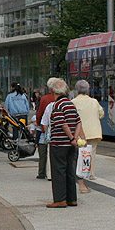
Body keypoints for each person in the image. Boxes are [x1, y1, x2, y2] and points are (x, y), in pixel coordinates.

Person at [47, 78, 82, 208]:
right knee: (70, 171)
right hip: (71, 145)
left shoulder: (58, 105)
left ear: (52, 91)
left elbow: (62, 123)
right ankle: (72, 199)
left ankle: (60, 200)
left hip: (59, 144)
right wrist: (75, 138)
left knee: (58, 171)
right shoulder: (70, 104)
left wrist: (70, 137)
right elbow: (79, 121)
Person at [72, 79, 105, 190]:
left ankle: (80, 172)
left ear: (77, 90)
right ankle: (91, 173)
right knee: (92, 153)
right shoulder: (94, 101)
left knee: (80, 153)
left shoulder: (73, 102)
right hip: (93, 131)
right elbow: (101, 113)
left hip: (80, 132)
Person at [35, 79, 58, 180]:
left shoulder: (44, 98)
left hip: (45, 128)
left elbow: (39, 114)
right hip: (58, 130)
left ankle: (42, 172)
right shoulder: (63, 99)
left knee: (43, 151)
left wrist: (39, 124)